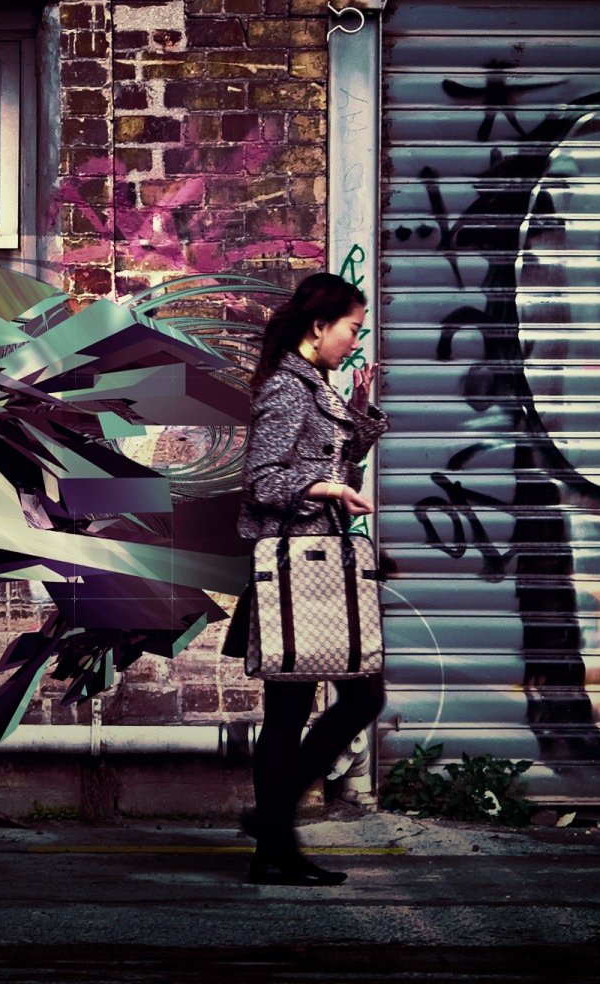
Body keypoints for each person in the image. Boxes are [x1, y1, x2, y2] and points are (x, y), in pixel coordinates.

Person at [222, 271, 388, 886]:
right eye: (352, 328)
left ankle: (272, 831)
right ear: (320, 326)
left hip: (316, 564)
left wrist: (359, 416)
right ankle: (274, 838)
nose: (356, 341)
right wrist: (329, 489)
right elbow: (263, 480)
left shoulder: (314, 384)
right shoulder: (287, 389)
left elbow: (335, 464)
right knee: (313, 705)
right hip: (296, 568)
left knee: (321, 704)